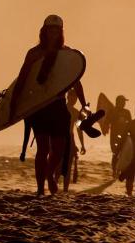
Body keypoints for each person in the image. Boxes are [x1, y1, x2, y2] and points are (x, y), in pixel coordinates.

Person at [11, 15, 88, 196]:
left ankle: (49, 174)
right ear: (44, 32)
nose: (53, 33)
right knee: (43, 148)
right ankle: (40, 189)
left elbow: (76, 81)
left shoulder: (67, 54)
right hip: (39, 106)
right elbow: (22, 78)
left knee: (59, 149)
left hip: (58, 105)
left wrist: (84, 104)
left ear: (61, 32)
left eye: (56, 30)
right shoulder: (34, 53)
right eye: (50, 30)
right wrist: (15, 102)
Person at [109, 94, 131, 175]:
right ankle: (114, 170)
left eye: (124, 102)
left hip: (124, 135)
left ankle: (120, 170)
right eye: (123, 101)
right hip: (114, 135)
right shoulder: (112, 111)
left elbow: (130, 123)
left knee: (123, 153)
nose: (124, 103)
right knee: (115, 153)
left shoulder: (127, 112)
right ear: (118, 102)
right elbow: (107, 121)